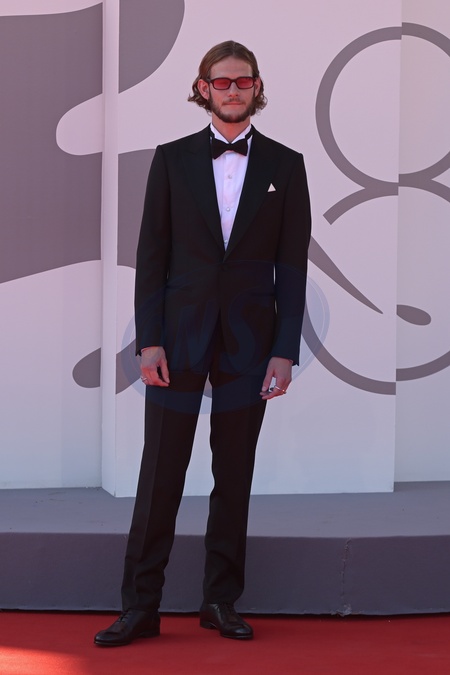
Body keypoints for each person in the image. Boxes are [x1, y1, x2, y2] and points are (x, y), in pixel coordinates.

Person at [94, 39, 311, 647]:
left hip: (251, 344)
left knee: (233, 474)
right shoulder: (171, 159)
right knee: (160, 473)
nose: (233, 90)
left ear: (257, 87)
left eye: (243, 81)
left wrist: (284, 349)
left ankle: (220, 600)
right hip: (177, 340)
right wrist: (149, 341)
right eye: (222, 81)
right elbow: (151, 257)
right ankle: (140, 606)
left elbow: (292, 266)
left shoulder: (287, 165)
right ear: (203, 88)